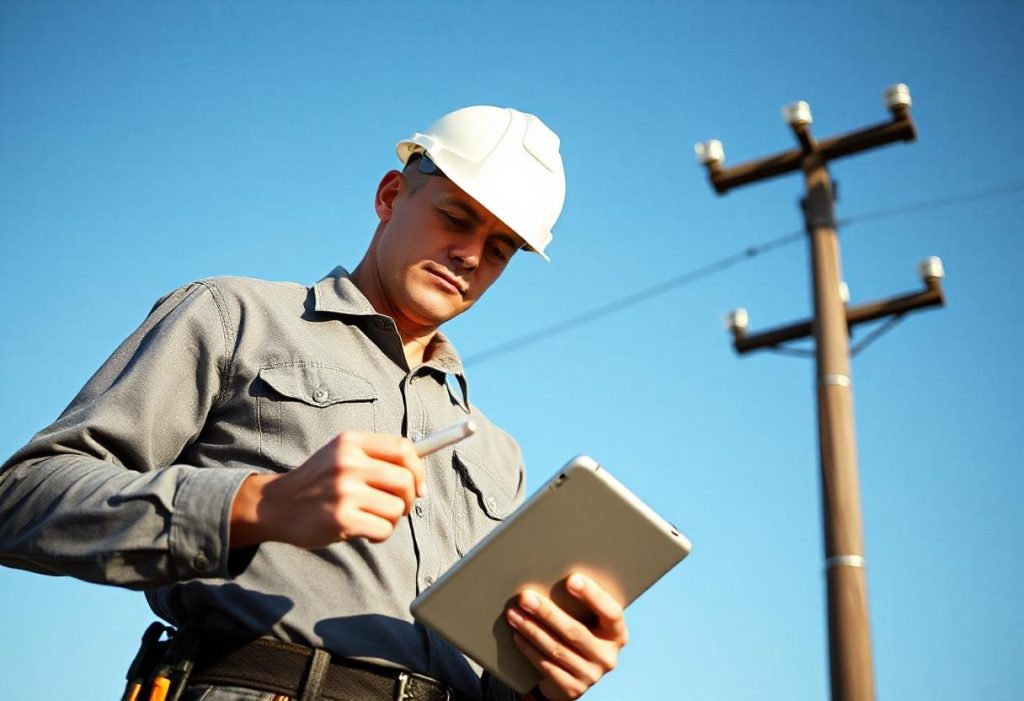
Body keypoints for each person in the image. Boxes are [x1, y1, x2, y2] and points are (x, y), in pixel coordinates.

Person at [0, 106, 627, 701]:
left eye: (500, 248)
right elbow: (22, 500)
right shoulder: (234, 317)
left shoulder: (497, 453)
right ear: (390, 195)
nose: (469, 256)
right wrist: (258, 505)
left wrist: (548, 679)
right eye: (457, 218)